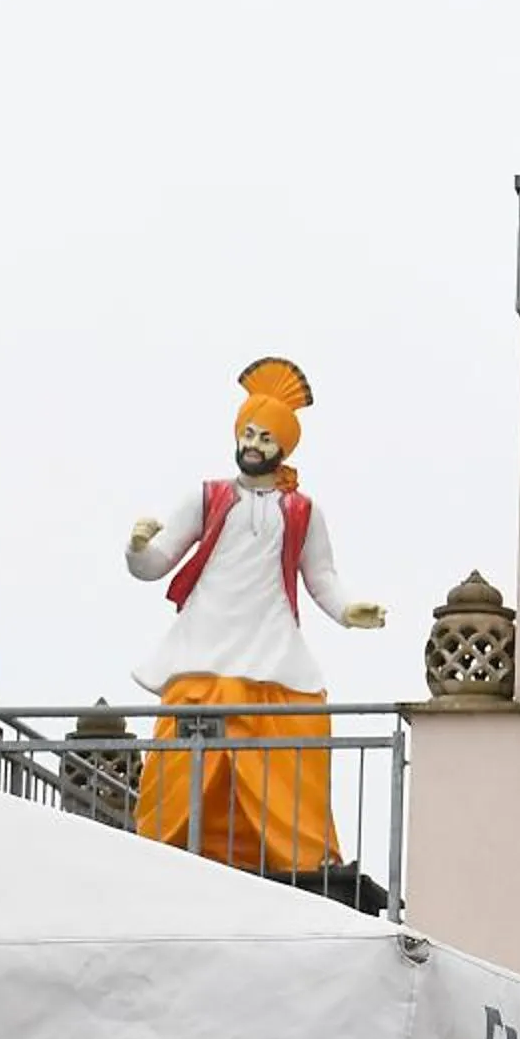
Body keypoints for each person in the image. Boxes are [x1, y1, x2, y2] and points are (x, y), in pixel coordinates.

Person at [126, 357, 385, 877]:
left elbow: (322, 578)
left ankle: (305, 857)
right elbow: (155, 564)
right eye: (248, 432)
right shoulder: (208, 496)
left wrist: (348, 611)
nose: (254, 444)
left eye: (265, 437)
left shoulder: (303, 510)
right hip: (204, 645)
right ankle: (156, 850)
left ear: (283, 447)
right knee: (182, 755)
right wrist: (136, 548)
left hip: (270, 645)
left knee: (289, 747)